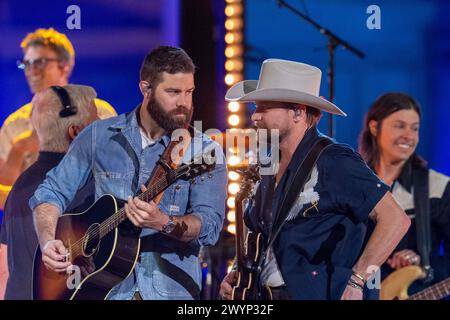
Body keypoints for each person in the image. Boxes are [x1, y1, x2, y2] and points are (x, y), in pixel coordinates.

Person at [30, 46, 227, 300]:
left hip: (169, 293)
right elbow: (50, 192)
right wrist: (47, 242)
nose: (184, 104)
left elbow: (209, 226)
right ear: (145, 89)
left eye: (190, 92)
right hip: (104, 291)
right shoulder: (98, 136)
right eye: (173, 92)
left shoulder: (203, 150)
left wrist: (162, 222)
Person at [219, 59, 411, 300]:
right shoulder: (266, 165)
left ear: (298, 112)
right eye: (256, 107)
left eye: (265, 107)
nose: (255, 117)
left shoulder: (335, 160)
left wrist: (358, 279)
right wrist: (238, 272)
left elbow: (396, 220)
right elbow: (259, 236)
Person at [0, 84, 100, 300]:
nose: (103, 128)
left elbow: (6, 270)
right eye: (97, 121)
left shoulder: (18, 187)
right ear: (76, 132)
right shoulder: (85, 187)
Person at [0, 27, 117, 208]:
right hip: (31, 226)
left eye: (40, 62)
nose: (32, 70)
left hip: (85, 221)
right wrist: (20, 148)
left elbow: (116, 171)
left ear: (64, 66)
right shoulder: (14, 124)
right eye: (27, 63)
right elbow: (3, 195)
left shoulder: (98, 112)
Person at [359, 92, 450, 296]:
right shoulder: (353, 185)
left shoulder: (438, 187)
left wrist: (423, 263)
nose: (409, 136)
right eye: (399, 126)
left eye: (415, 128)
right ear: (374, 127)